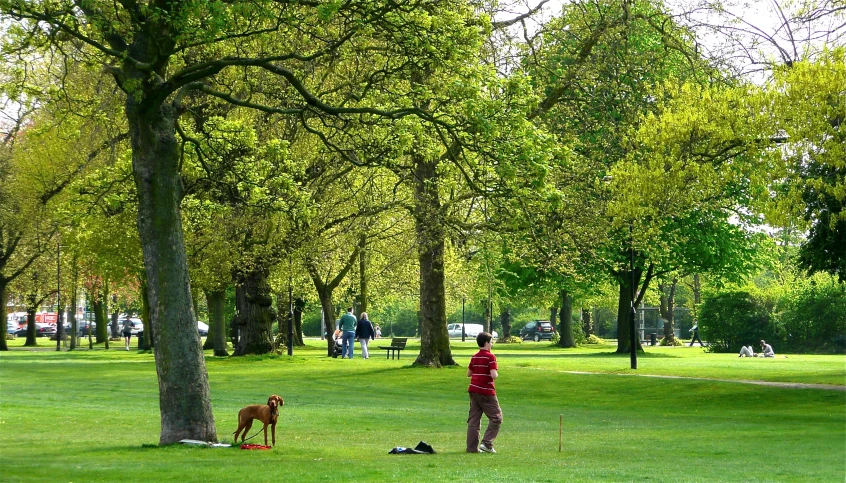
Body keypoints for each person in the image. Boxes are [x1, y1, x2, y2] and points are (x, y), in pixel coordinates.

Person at [466, 332, 502, 454]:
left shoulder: (475, 356)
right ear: (486, 343)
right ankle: (487, 444)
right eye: (491, 342)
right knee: (496, 418)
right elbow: (494, 375)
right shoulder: (490, 357)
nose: (492, 344)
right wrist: (496, 372)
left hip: (473, 389)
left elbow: (468, 374)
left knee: (474, 419)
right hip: (486, 391)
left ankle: (471, 448)